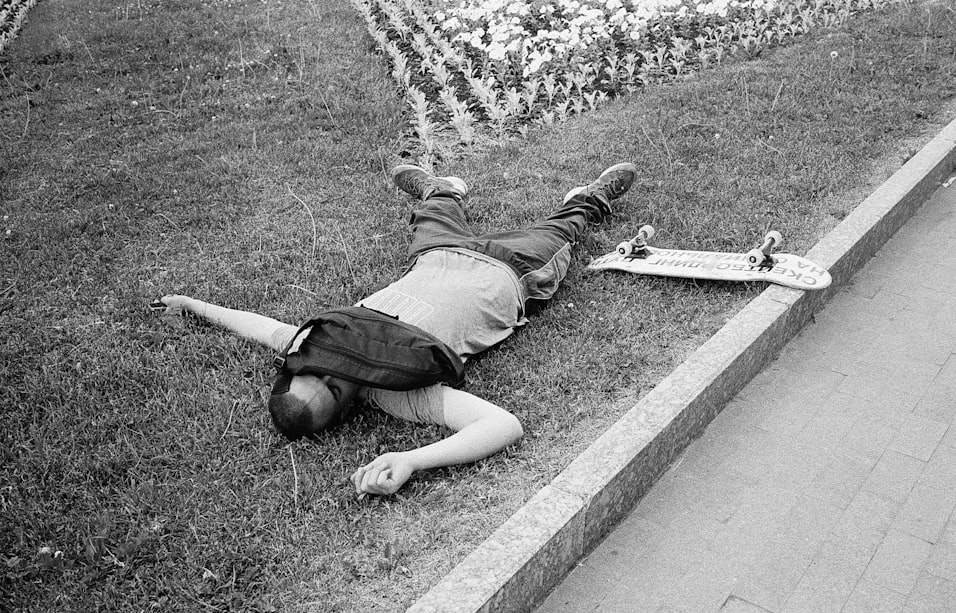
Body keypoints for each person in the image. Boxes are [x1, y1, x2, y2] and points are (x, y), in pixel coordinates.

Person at [155, 162, 637, 496]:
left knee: (435, 208)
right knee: (566, 228)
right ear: (346, 407)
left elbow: (259, 327)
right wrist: (411, 459)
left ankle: (441, 188)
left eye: (316, 373)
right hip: (513, 272)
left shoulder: (312, 345)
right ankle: (587, 199)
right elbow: (504, 426)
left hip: (438, 252)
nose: (332, 369)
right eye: (335, 388)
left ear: (296, 370)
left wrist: (195, 304)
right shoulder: (394, 391)